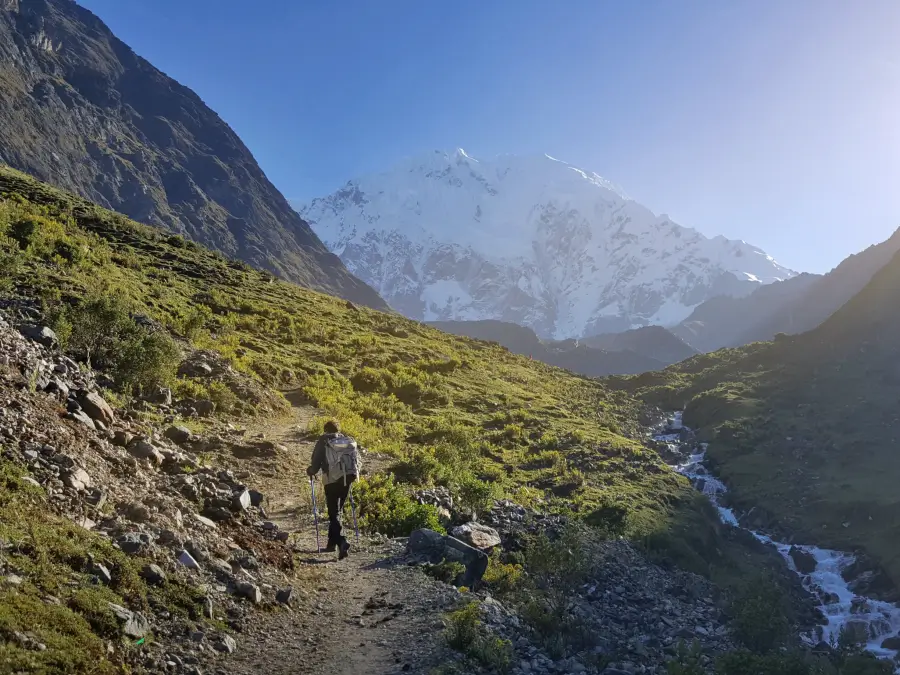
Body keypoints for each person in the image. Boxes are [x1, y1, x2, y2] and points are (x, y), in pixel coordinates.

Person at [306, 420, 355, 559]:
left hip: (332, 479)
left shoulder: (324, 440)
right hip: (347, 478)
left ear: (326, 429)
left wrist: (311, 471)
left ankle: (342, 541)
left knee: (334, 512)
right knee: (337, 511)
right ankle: (331, 544)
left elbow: (316, 461)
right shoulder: (346, 440)